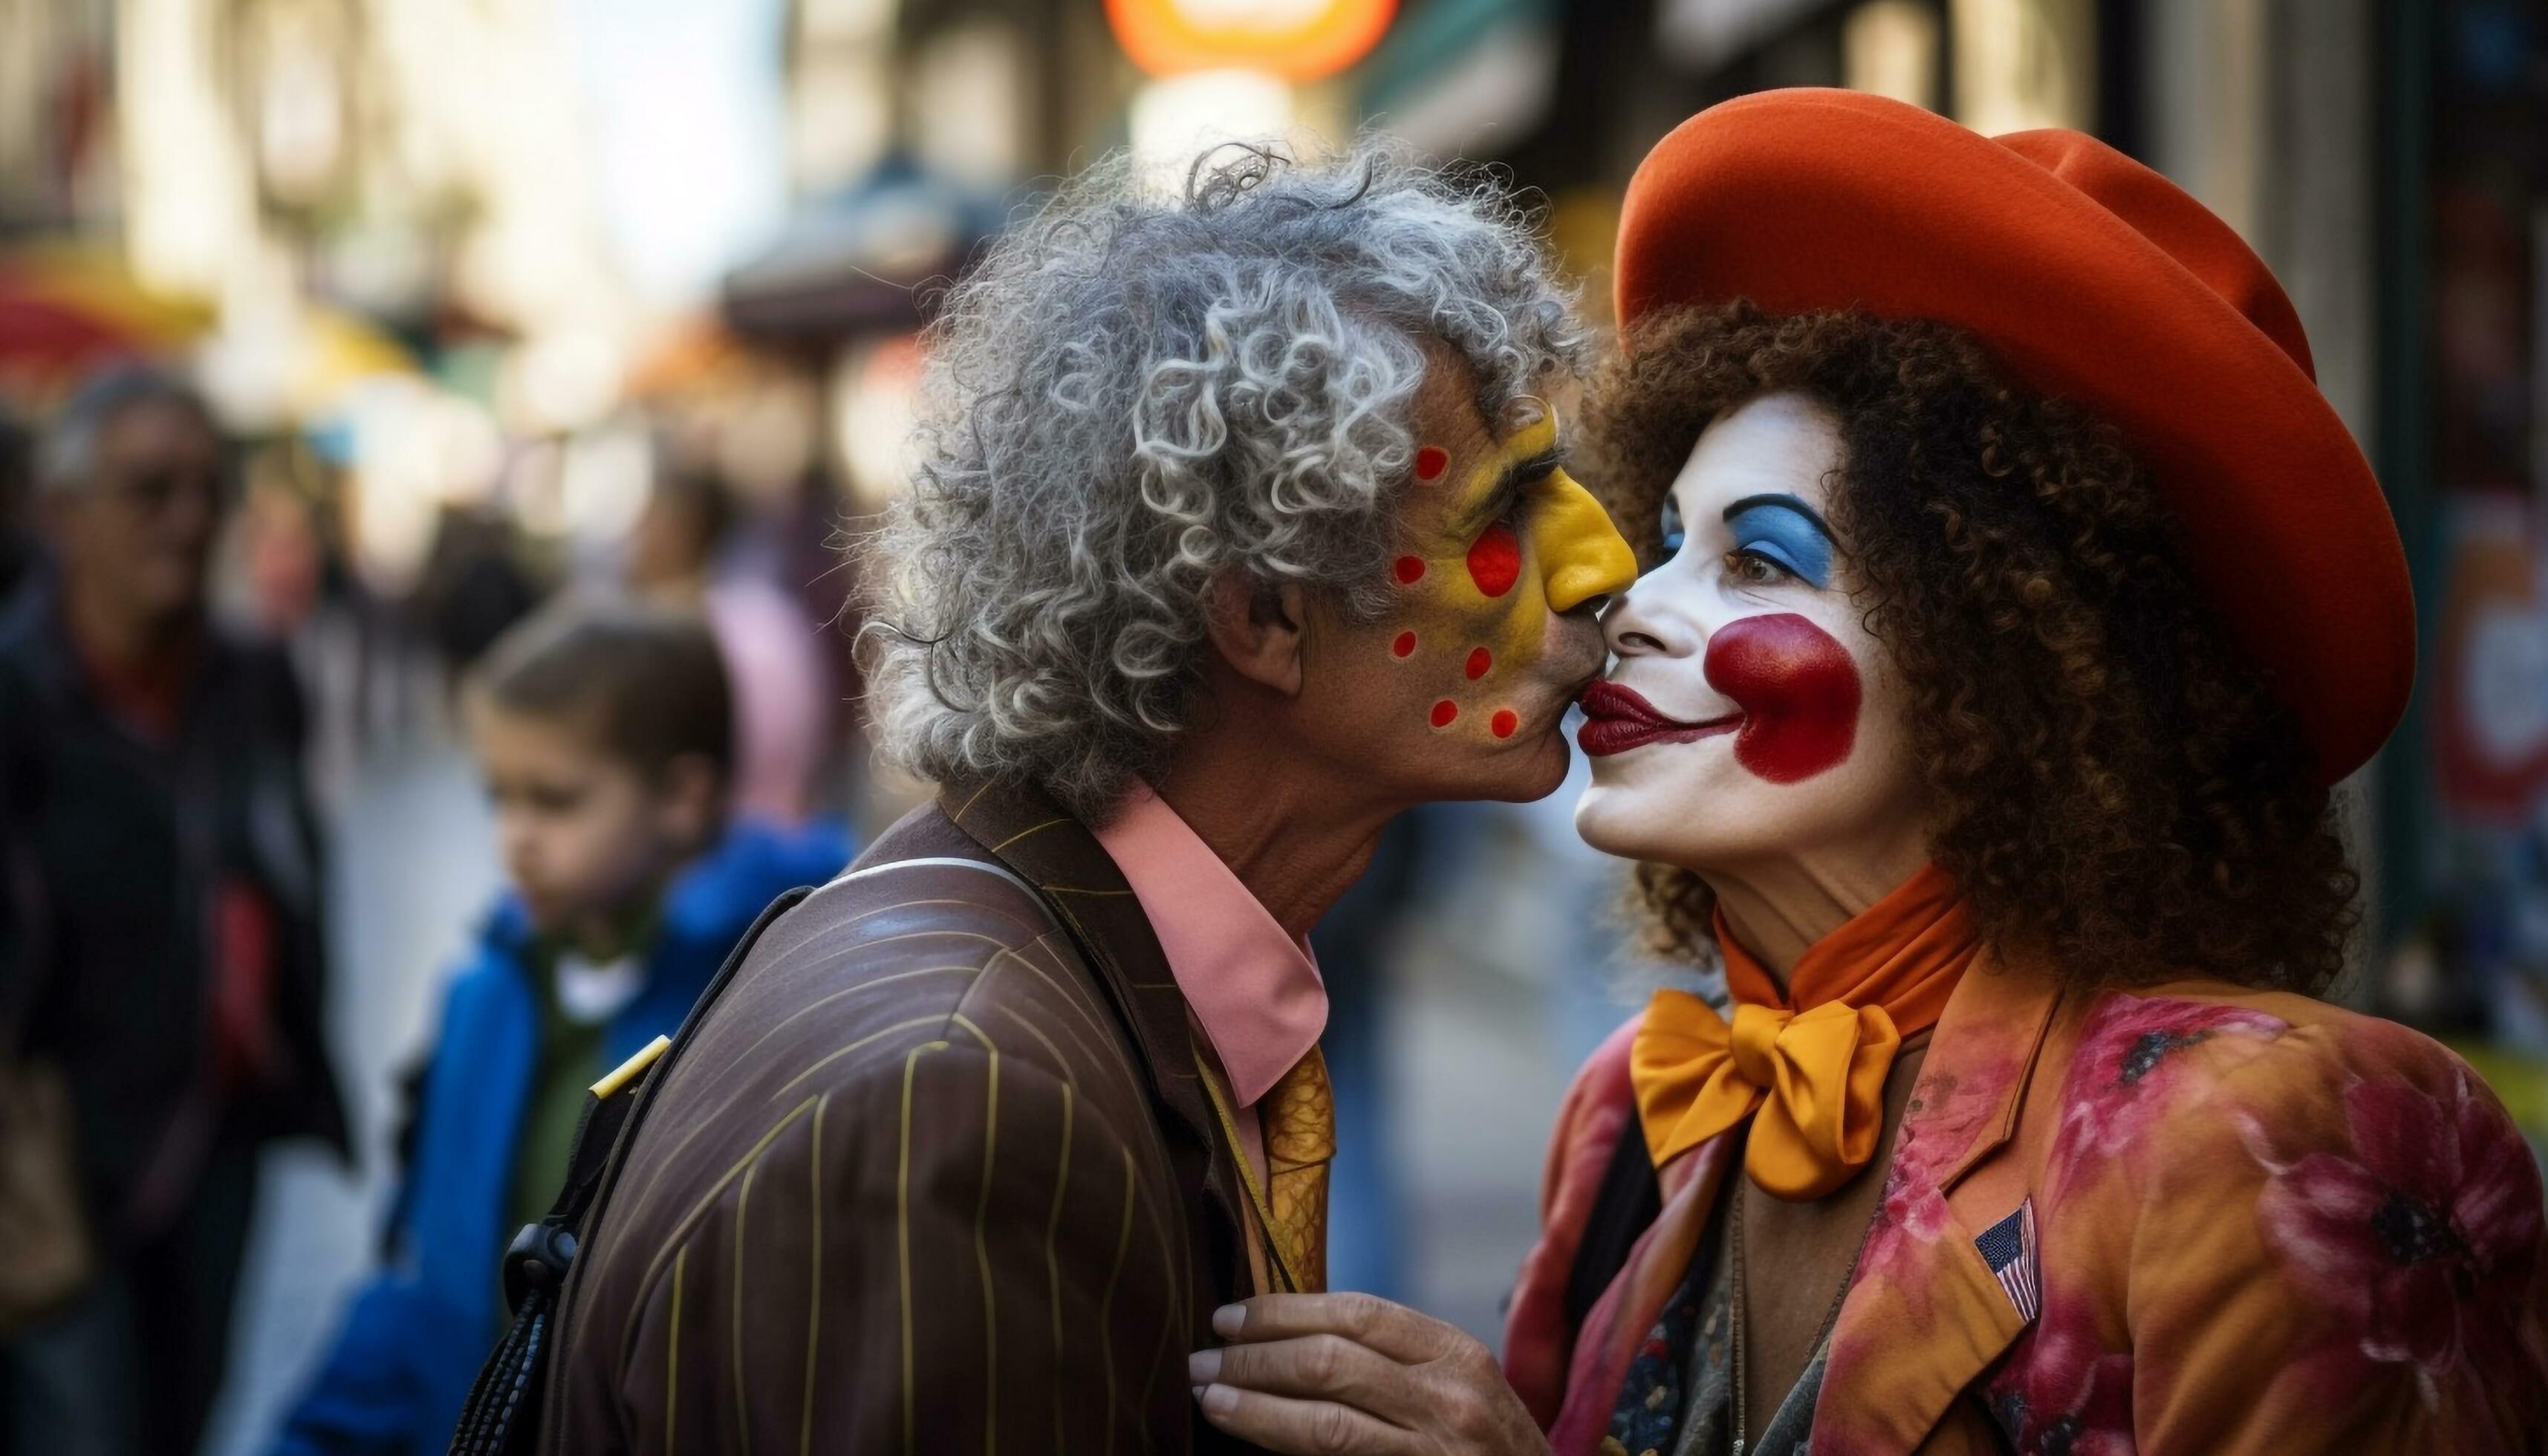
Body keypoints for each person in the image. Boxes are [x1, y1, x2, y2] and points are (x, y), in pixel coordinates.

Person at [1190, 91, 2548, 1454]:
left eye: (1761, 561)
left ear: (2004, 665)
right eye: (1669, 540)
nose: (1635, 604)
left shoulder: (2279, 1142)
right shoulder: (1629, 1123)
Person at [525, 139, 1637, 1455]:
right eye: (1513, 503)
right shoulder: (965, 1099)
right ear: (1265, 612)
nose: (1605, 558)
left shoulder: (1055, 983)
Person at [270, 597, 849, 1455]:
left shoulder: (763, 1004)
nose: (514, 839)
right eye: (498, 796)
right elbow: (422, 1279)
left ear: (682, 799)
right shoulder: (486, 994)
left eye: (554, 800)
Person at [0, 364, 348, 1456]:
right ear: (64, 512)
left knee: (189, 1414)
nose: (190, 520)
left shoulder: (255, 678)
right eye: (149, 490)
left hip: (218, 1135)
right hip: (57, 1149)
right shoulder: (17, 694)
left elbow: (291, 867)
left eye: (210, 487)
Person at [624, 465, 837, 825]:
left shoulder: (706, 630)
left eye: (646, 520)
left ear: (682, 529)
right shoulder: (765, 612)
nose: (632, 536)